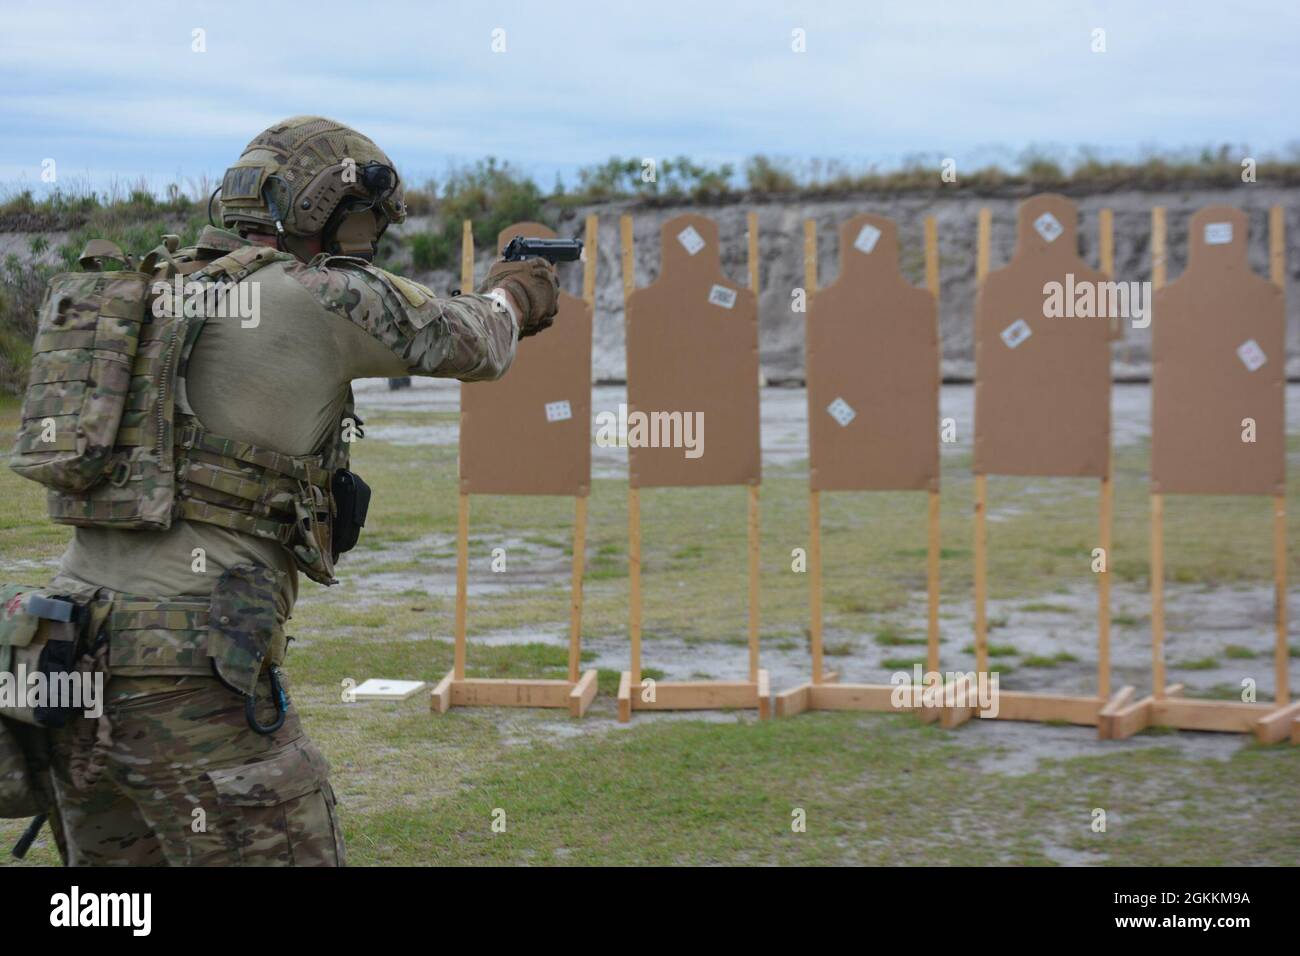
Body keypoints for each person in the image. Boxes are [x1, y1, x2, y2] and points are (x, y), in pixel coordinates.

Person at [5, 116, 558, 865]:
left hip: (63, 655)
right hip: (189, 673)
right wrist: (513, 294)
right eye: (364, 220)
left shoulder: (146, 292)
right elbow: (476, 342)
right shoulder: (316, 295)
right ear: (317, 207)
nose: (368, 239)